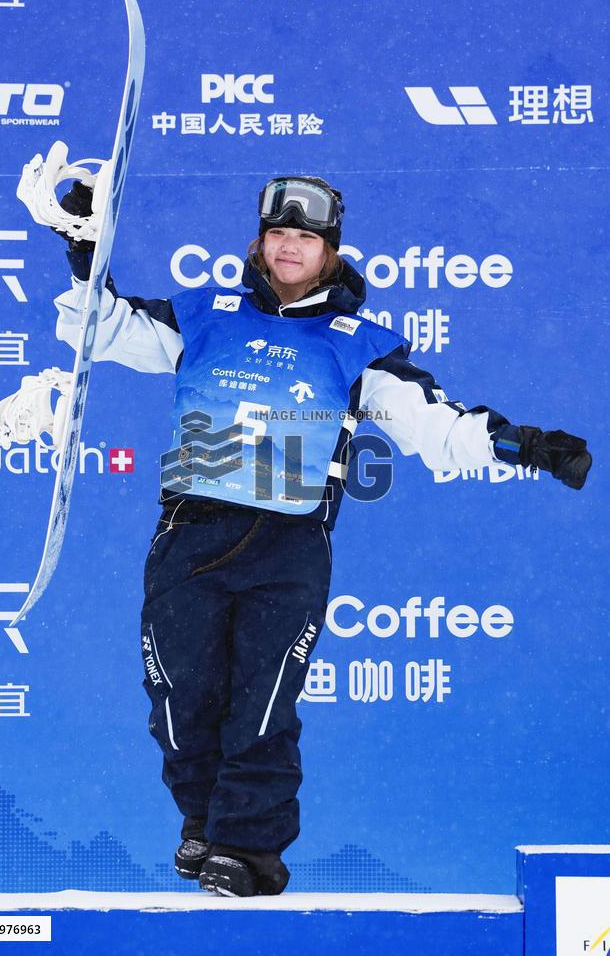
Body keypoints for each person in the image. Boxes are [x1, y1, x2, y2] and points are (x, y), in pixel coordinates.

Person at [47, 176, 591, 897]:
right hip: (190, 535)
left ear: (329, 251)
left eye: (305, 237)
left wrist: (528, 446)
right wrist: (84, 251)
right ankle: (206, 825)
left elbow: (437, 427)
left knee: (262, 706)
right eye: (278, 234)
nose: (289, 246)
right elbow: (104, 327)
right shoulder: (205, 315)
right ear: (261, 243)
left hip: (288, 545)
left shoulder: (356, 346)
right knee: (181, 705)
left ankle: (249, 853)